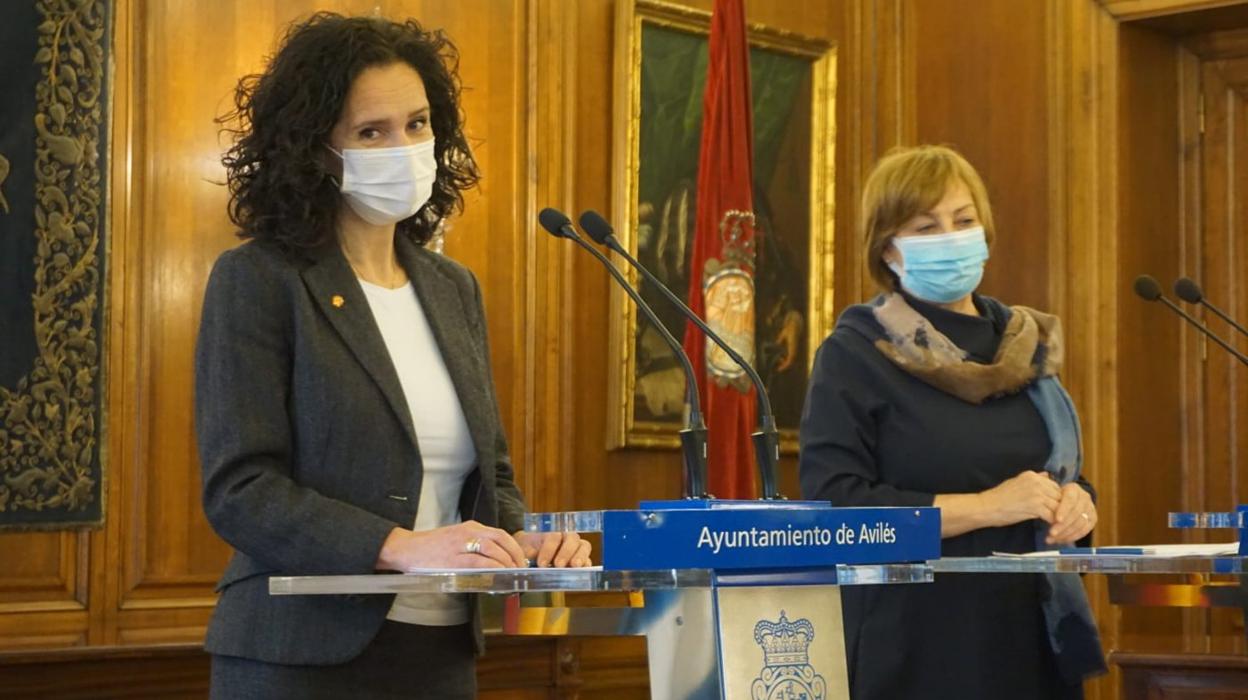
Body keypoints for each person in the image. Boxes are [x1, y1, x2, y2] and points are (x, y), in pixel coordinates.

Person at [195, 13, 589, 699]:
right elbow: (242, 490)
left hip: (439, 653)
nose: (402, 147)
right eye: (370, 132)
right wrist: (398, 545)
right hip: (300, 655)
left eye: (417, 124)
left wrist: (532, 543)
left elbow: (489, 475)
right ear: (317, 150)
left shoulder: (452, 288)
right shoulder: (260, 279)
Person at [799, 145, 1106, 699]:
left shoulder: (1025, 347)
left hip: (1032, 638)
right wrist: (988, 507)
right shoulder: (857, 354)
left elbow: (1056, 475)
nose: (951, 237)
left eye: (963, 221)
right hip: (917, 642)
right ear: (888, 249)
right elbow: (836, 506)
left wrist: (1079, 503)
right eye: (926, 226)